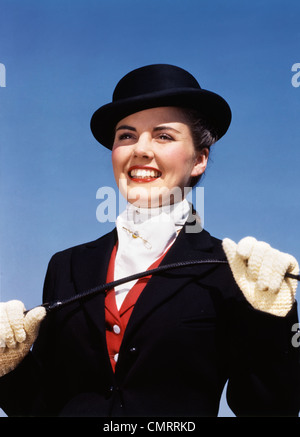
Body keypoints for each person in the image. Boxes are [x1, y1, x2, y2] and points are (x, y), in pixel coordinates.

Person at [0, 64, 299, 417]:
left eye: (163, 136)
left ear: (200, 159)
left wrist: (275, 320)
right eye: (126, 136)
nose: (140, 149)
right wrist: (9, 367)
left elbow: (268, 409)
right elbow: (44, 408)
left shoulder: (233, 271)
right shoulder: (66, 264)